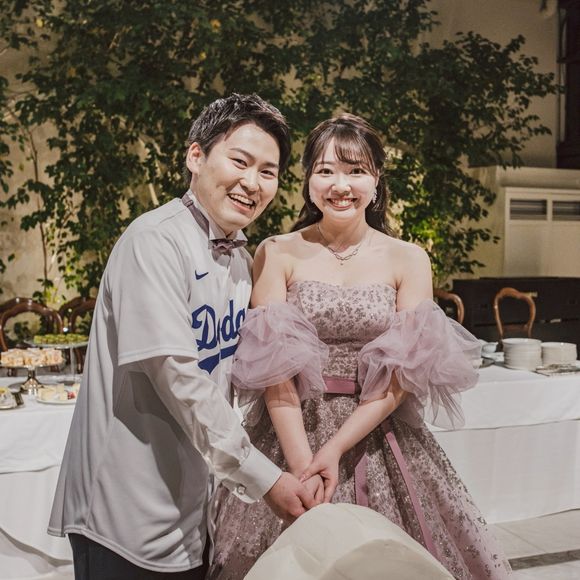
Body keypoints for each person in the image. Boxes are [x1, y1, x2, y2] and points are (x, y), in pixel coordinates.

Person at [208, 113, 512, 579]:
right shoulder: (276, 251)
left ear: (376, 179)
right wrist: (304, 467)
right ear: (308, 180)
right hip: (290, 433)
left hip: (380, 433)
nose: (340, 185)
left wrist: (333, 450)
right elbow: (273, 372)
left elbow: (403, 374)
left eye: (356, 171)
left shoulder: (409, 258)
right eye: (325, 170)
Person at [48, 93, 316, 579]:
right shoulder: (153, 241)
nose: (252, 183)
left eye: (268, 172)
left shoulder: (240, 258)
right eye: (240, 161)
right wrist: (264, 477)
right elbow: (179, 379)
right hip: (125, 511)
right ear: (196, 156)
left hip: (193, 507)